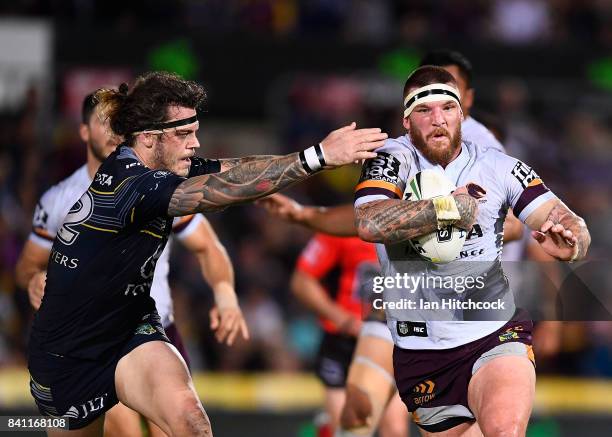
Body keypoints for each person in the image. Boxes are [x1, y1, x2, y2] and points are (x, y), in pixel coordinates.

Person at [26, 71, 387, 436]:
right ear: (149, 138)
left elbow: (236, 169)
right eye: (185, 134)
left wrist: (317, 157)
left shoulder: (157, 169)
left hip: (128, 329)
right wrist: (318, 156)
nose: (196, 143)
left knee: (191, 420)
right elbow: (221, 191)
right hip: (68, 353)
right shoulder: (133, 185)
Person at [353, 66, 590, 435]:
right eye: (424, 110)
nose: (437, 120)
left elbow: (567, 219)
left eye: (447, 108)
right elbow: (369, 223)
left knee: (505, 428)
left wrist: (573, 242)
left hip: (494, 333)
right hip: (421, 351)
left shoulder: (499, 167)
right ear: (406, 120)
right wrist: (449, 209)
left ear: (461, 112)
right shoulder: (390, 161)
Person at [15, 92, 245, 437]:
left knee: (191, 423)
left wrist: (225, 294)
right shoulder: (61, 199)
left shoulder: (161, 181)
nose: (112, 131)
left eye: (118, 122)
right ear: (83, 132)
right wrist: (35, 278)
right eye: (102, 123)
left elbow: (208, 248)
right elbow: (27, 267)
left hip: (148, 332)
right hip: (82, 344)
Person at [292, 233, 409, 436]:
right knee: (348, 429)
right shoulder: (341, 228)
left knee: (395, 427)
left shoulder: (413, 229)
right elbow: (302, 281)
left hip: (394, 342)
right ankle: (326, 427)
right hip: (343, 344)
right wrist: (344, 320)